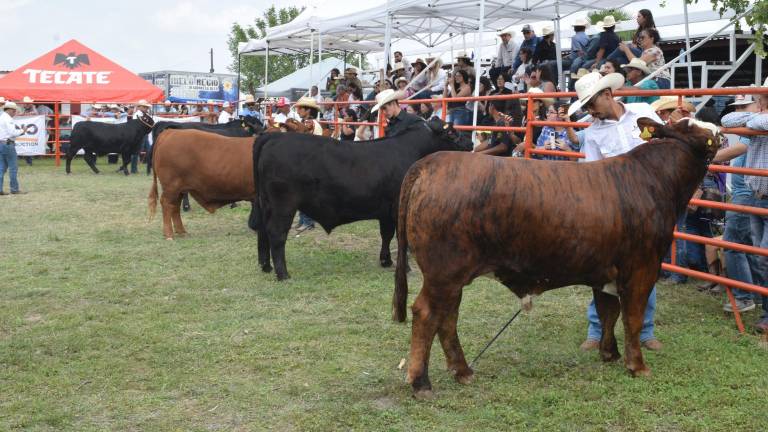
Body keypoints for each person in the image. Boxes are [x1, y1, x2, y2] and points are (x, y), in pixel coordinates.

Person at [566, 71, 663, 351]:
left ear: (608, 95)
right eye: (585, 107)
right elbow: (592, 176)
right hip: (616, 211)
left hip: (648, 206)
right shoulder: (593, 133)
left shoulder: (642, 113)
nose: (589, 111)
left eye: (591, 104)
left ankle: (645, 331)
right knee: (602, 269)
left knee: (645, 269)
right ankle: (597, 330)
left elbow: (664, 147)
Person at [720, 81, 768, 332]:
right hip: (756, 193)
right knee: (760, 255)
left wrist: (755, 118)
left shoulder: (759, 121)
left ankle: (758, 305)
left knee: (762, 254)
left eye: (762, 97)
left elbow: (764, 123)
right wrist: (755, 115)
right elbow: (728, 119)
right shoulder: (756, 118)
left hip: (754, 194)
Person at [712, 96, 760, 313]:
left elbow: (740, 148)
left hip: (747, 192)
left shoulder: (754, 128)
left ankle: (744, 296)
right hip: (746, 190)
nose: (739, 111)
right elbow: (729, 122)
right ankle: (756, 292)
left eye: (744, 106)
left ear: (759, 104)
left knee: (733, 244)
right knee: (749, 247)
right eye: (737, 107)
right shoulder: (751, 124)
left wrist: (707, 157)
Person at [292, 97, 325, 233]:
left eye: (300, 108)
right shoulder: (307, 123)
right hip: (310, 160)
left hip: (310, 161)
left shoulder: (309, 124)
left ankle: (308, 222)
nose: (298, 110)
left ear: (307, 110)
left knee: (305, 193)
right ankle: (304, 220)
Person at [0, 102, 26, 195]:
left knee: (1, 168)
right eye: (14, 111)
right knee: (13, 168)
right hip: (8, 144)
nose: (15, 113)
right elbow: (12, 132)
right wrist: (22, 131)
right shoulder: (8, 119)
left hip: (1, 143)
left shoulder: (2, 117)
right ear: (10, 110)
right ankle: (14, 189)